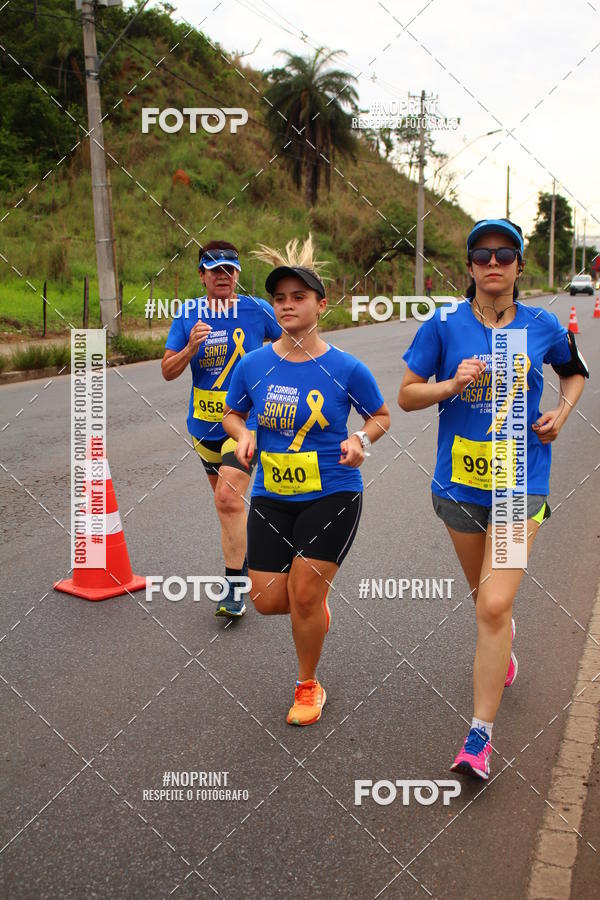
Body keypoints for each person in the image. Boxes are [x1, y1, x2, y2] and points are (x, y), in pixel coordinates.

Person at [398, 218, 588, 779]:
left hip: (518, 484)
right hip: (459, 485)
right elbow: (406, 396)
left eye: (505, 254)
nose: (493, 263)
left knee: (492, 605)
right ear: (470, 266)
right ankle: (503, 638)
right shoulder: (443, 324)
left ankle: (478, 738)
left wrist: (562, 413)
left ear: (520, 265)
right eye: (482, 255)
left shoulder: (542, 324)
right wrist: (451, 384)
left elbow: (574, 373)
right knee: (484, 597)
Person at [222, 236, 390, 725]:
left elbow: (380, 415)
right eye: (279, 298)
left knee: (304, 594)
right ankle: (313, 605)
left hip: (333, 493)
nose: (287, 305)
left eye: (299, 297)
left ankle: (308, 685)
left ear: (321, 304)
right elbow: (233, 414)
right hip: (272, 494)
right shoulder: (254, 364)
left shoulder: (345, 368)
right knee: (267, 600)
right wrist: (243, 434)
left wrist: (360, 439)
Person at [161, 240, 281, 617]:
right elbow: (167, 371)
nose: (223, 276)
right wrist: (189, 349)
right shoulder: (188, 315)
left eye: (230, 269)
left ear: (238, 274)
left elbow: (295, 345)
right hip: (203, 428)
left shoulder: (257, 310)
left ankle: (233, 588)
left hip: (247, 424)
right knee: (227, 504)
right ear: (202, 276)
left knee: (227, 498)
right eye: (215, 270)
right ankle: (242, 562)